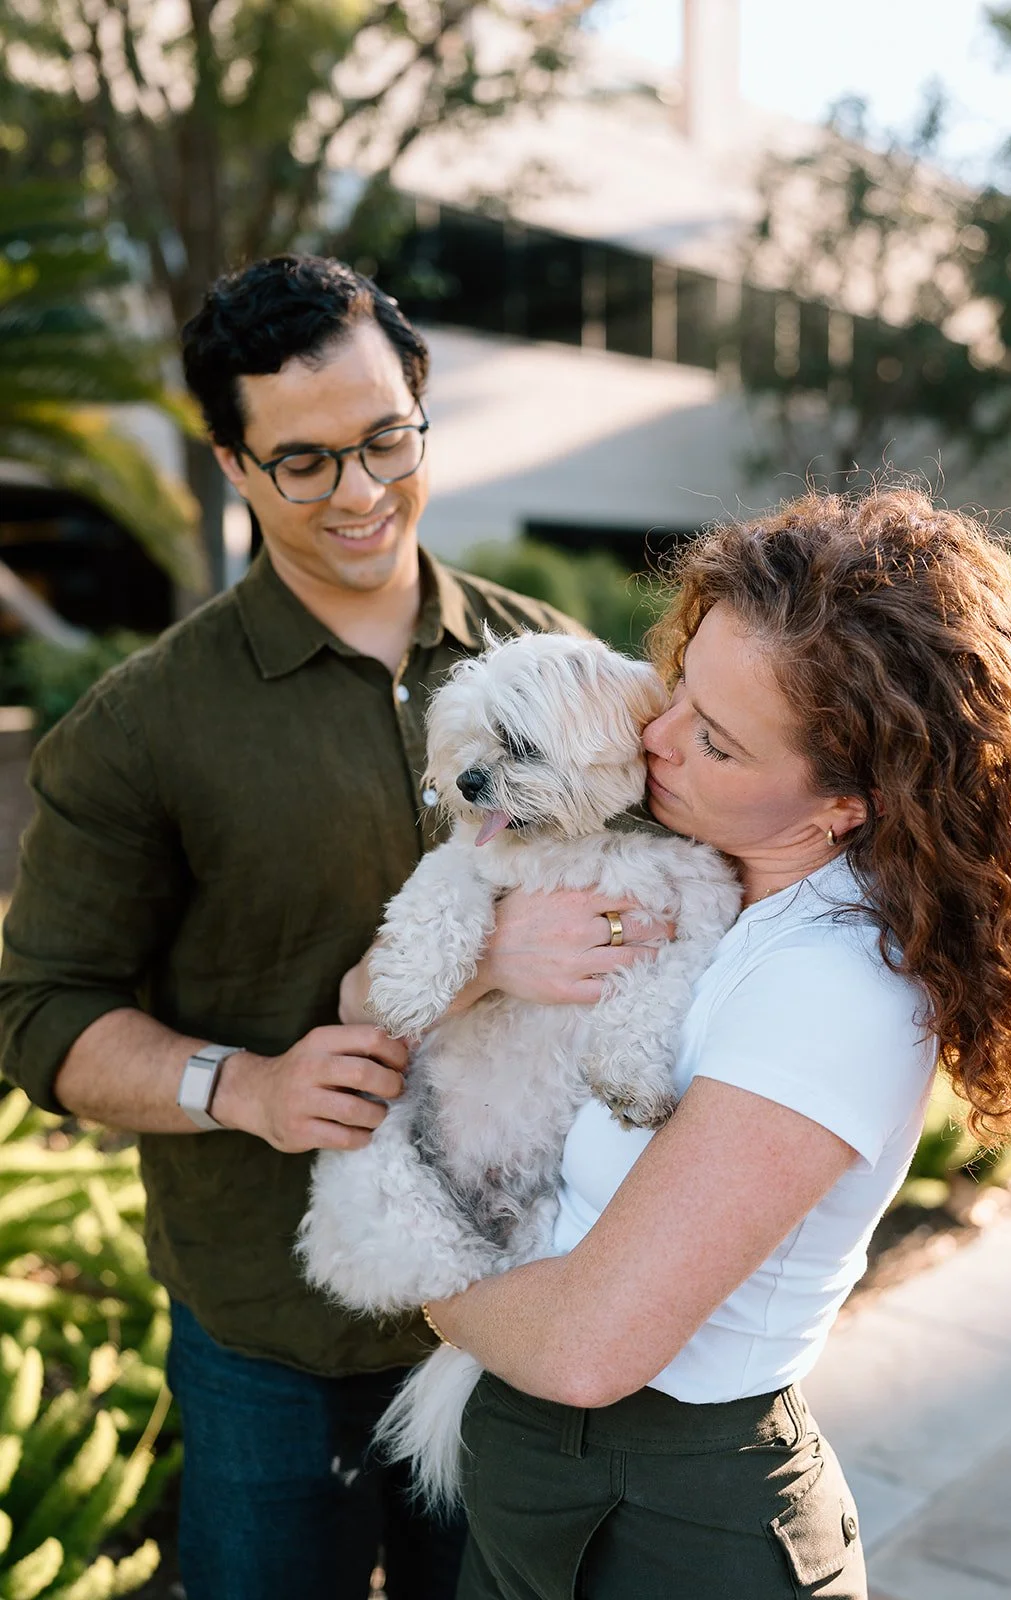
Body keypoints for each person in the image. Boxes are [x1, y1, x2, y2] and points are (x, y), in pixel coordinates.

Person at [0, 254, 666, 1600]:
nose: (359, 493)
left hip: (530, 1304)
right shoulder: (142, 727)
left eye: (383, 440)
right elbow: (40, 1012)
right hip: (272, 1336)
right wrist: (240, 1085)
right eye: (302, 462)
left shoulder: (556, 659)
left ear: (420, 406)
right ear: (233, 466)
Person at [413, 488, 1011, 1600]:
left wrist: (396, 1244)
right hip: (555, 1495)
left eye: (711, 740)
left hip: (670, 1522)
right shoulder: (706, 882)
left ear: (842, 807)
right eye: (677, 692)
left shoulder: (834, 985)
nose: (653, 738)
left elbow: (587, 1344)